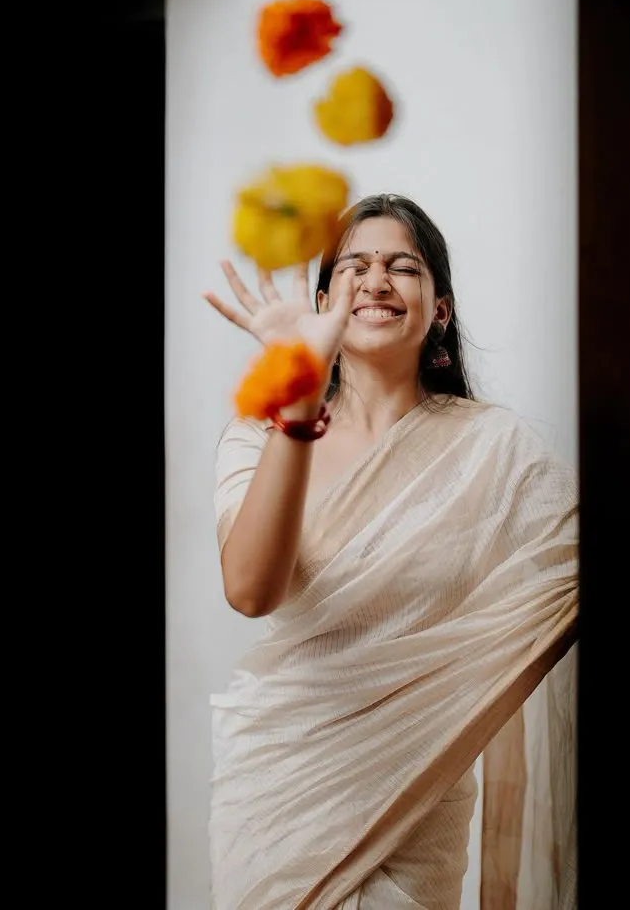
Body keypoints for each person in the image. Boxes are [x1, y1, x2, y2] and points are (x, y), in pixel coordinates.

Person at [203, 194, 578, 910]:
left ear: (438, 308)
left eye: (404, 267)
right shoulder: (260, 432)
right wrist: (301, 391)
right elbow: (252, 590)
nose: (376, 280)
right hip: (279, 794)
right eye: (355, 266)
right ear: (321, 302)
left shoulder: (496, 450)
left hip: (417, 797)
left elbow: (570, 573)